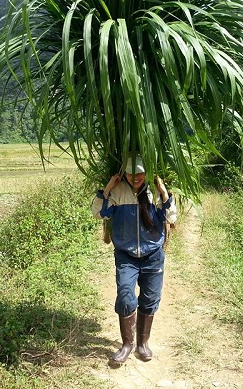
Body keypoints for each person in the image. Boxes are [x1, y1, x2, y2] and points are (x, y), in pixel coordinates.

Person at [92, 154, 177, 364]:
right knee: (125, 295)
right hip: (126, 255)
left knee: (149, 299)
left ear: (146, 173)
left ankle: (142, 344)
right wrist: (109, 187)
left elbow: (170, 217)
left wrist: (164, 193)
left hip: (153, 256)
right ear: (125, 174)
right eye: (130, 173)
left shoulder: (154, 193)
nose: (135, 177)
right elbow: (99, 212)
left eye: (139, 173)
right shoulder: (118, 192)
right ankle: (127, 344)